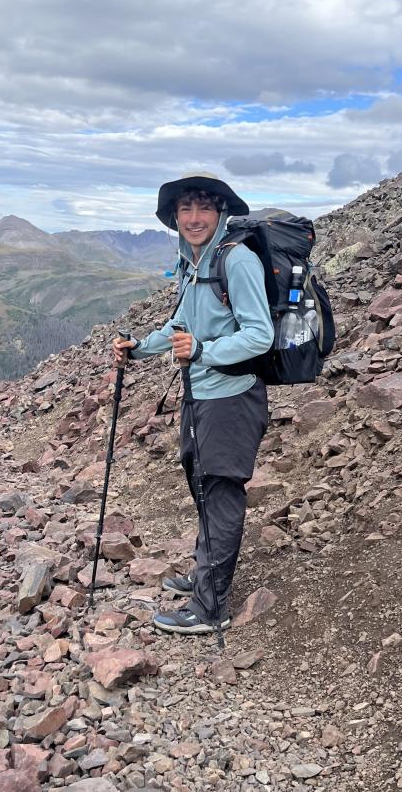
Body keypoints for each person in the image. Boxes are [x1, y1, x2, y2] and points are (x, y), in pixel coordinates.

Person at [112, 172, 274, 635]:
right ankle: (208, 576)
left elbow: (259, 335)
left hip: (231, 397)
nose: (195, 217)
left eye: (204, 207)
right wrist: (138, 346)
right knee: (201, 487)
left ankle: (210, 608)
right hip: (199, 393)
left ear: (221, 212)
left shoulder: (236, 261)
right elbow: (180, 324)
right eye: (186, 209)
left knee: (220, 493)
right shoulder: (194, 262)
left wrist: (204, 352)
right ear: (175, 216)